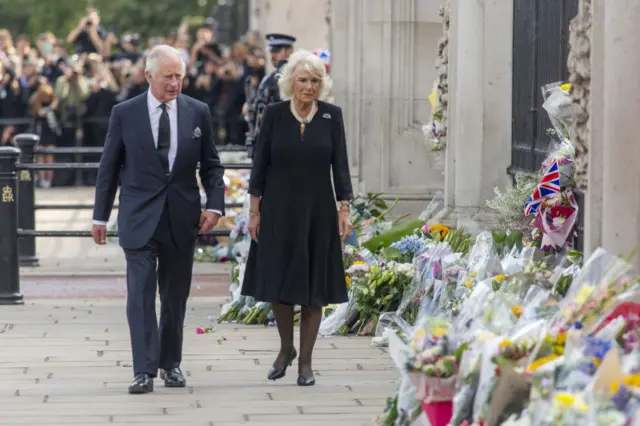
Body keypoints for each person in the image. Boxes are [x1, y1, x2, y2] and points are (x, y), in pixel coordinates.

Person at [91, 45, 226, 394]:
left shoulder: (198, 112)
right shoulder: (125, 113)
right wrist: (100, 216)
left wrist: (214, 206)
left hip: (181, 218)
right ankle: (143, 370)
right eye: (168, 76)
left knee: (174, 296)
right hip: (138, 217)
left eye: (180, 75)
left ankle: (171, 364)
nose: (175, 83)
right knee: (140, 293)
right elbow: (108, 169)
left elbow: (212, 166)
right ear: (148, 75)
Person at [241, 50, 354, 386]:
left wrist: (344, 208)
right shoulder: (274, 114)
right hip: (278, 210)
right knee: (280, 284)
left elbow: (341, 167)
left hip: (318, 211)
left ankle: (306, 362)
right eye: (303, 80)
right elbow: (259, 166)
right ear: (290, 82)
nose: (309, 86)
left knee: (314, 289)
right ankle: (286, 348)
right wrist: (253, 211)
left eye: (315, 81)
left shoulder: (332, 117)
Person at [245, 33, 295, 157]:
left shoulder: (297, 77)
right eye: (272, 51)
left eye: (277, 50)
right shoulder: (269, 79)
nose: (273, 55)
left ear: (289, 51)